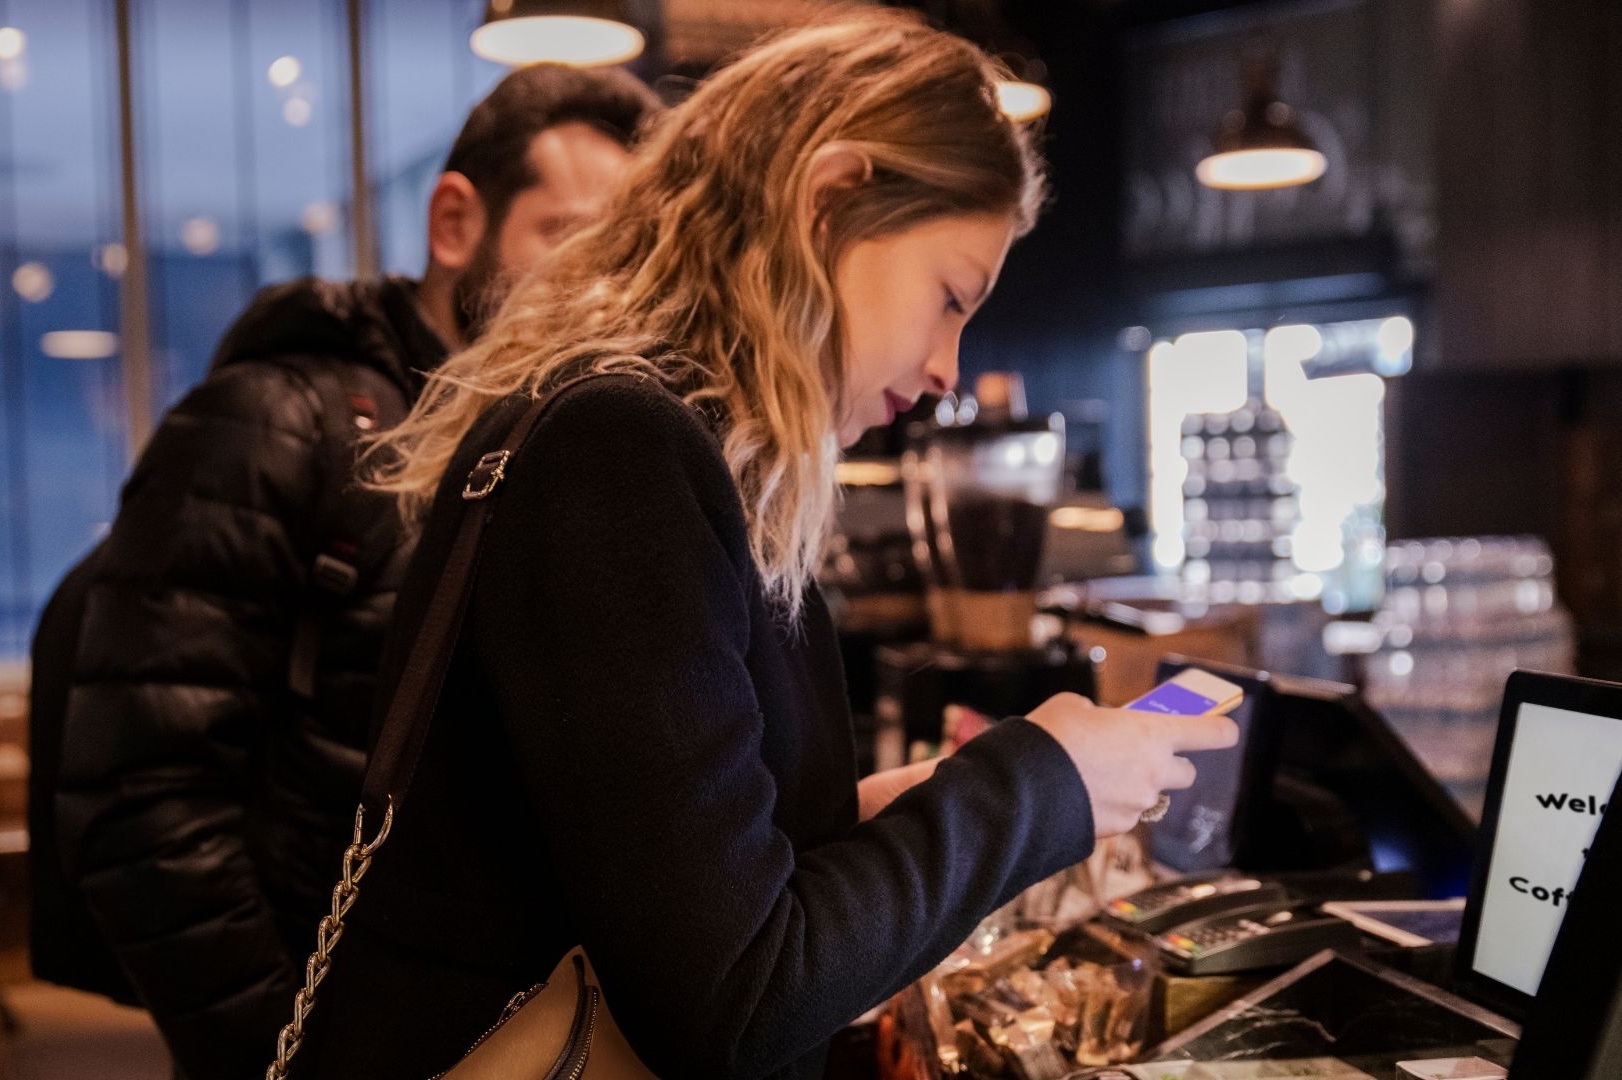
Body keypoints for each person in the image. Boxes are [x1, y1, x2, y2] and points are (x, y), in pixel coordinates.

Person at [290, 13, 1237, 1080]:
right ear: (828, 201)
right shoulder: (623, 451)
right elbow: (739, 999)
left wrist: (886, 813)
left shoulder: (662, 446)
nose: (946, 370)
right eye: (948, 298)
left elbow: (654, 859)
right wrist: (1041, 785)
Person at [44, 64, 662, 1080]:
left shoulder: (561, 450)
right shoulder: (272, 421)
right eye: (571, 240)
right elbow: (140, 804)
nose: (603, 291)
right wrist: (287, 1053)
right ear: (456, 222)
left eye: (629, 257)